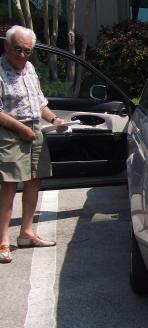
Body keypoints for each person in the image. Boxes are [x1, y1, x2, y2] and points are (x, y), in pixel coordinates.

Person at [0, 25, 67, 263]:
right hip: (9, 132)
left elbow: (39, 103)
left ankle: (26, 234)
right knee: (8, 185)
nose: (22, 55)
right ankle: (2, 242)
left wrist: (55, 120)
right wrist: (21, 129)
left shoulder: (29, 68)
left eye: (27, 51)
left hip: (33, 129)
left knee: (34, 180)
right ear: (6, 45)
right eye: (17, 49)